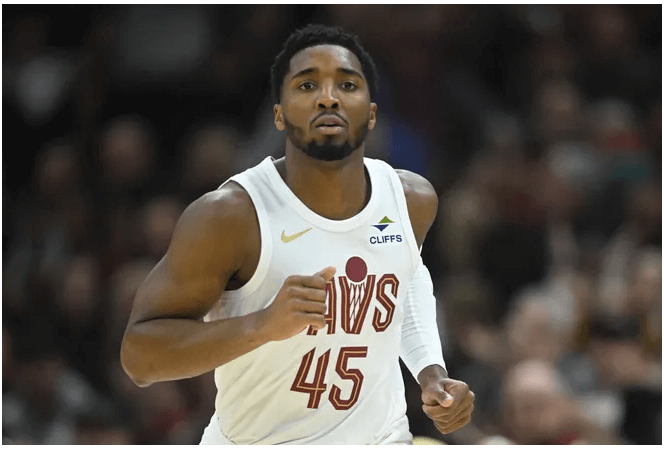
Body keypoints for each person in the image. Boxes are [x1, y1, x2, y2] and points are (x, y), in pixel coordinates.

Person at [121, 24, 474, 445]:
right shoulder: (231, 215)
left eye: (347, 84)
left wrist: (431, 372)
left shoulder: (411, 198)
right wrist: (262, 325)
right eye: (308, 84)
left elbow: (406, 276)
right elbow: (140, 358)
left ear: (372, 112)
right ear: (279, 114)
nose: (329, 96)